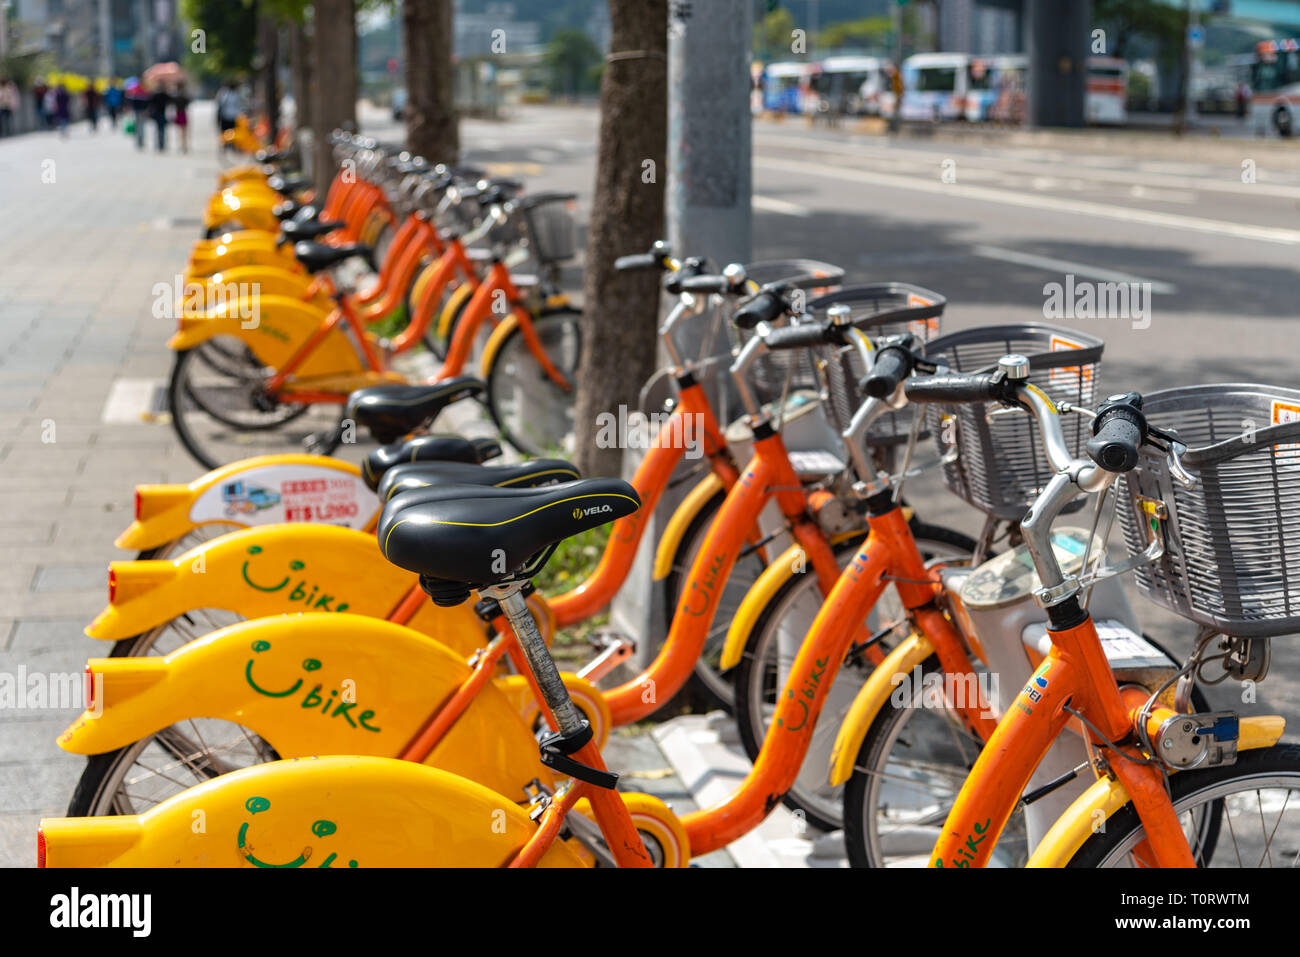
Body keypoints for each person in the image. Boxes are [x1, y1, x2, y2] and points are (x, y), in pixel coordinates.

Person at [148, 84, 170, 152]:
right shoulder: (165, 95)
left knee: (157, 130)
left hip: (157, 114)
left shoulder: (155, 95)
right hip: (163, 114)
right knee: (162, 130)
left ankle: (157, 144)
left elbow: (150, 104)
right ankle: (162, 144)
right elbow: (170, 102)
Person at [172, 85, 191, 153]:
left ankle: (181, 145)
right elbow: (188, 103)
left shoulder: (176, 96)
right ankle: (184, 145)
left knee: (179, 131)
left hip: (178, 113)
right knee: (184, 131)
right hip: (183, 113)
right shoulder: (184, 96)